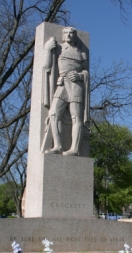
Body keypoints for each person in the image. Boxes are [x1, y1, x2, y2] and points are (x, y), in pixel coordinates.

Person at [43, 27, 89, 156]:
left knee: (76, 117)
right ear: (62, 36)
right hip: (62, 83)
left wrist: (80, 76)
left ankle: (74, 149)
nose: (68, 35)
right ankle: (58, 145)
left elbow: (86, 70)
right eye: (66, 33)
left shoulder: (81, 51)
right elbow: (46, 66)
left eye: (71, 33)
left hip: (76, 86)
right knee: (53, 113)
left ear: (74, 36)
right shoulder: (58, 48)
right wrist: (47, 49)